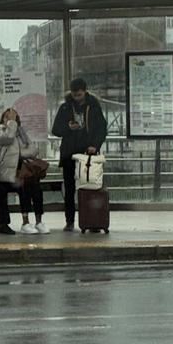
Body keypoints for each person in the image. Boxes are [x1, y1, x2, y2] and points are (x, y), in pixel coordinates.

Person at [51, 77, 108, 231]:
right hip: (69, 153)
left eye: (80, 95)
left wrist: (94, 145)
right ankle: (70, 220)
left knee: (90, 186)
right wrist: (68, 127)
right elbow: (55, 130)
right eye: (75, 95)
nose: (77, 98)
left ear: (85, 92)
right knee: (69, 189)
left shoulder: (93, 106)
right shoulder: (65, 108)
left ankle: (92, 221)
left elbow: (101, 128)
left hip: (88, 153)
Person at [0, 108, 47, 235]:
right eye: (7, 117)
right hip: (8, 175)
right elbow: (8, 138)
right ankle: (25, 222)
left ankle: (39, 221)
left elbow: (33, 150)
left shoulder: (21, 133)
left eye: (13, 117)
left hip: (24, 171)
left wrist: (19, 154)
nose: (11, 120)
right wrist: (11, 123)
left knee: (36, 188)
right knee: (24, 187)